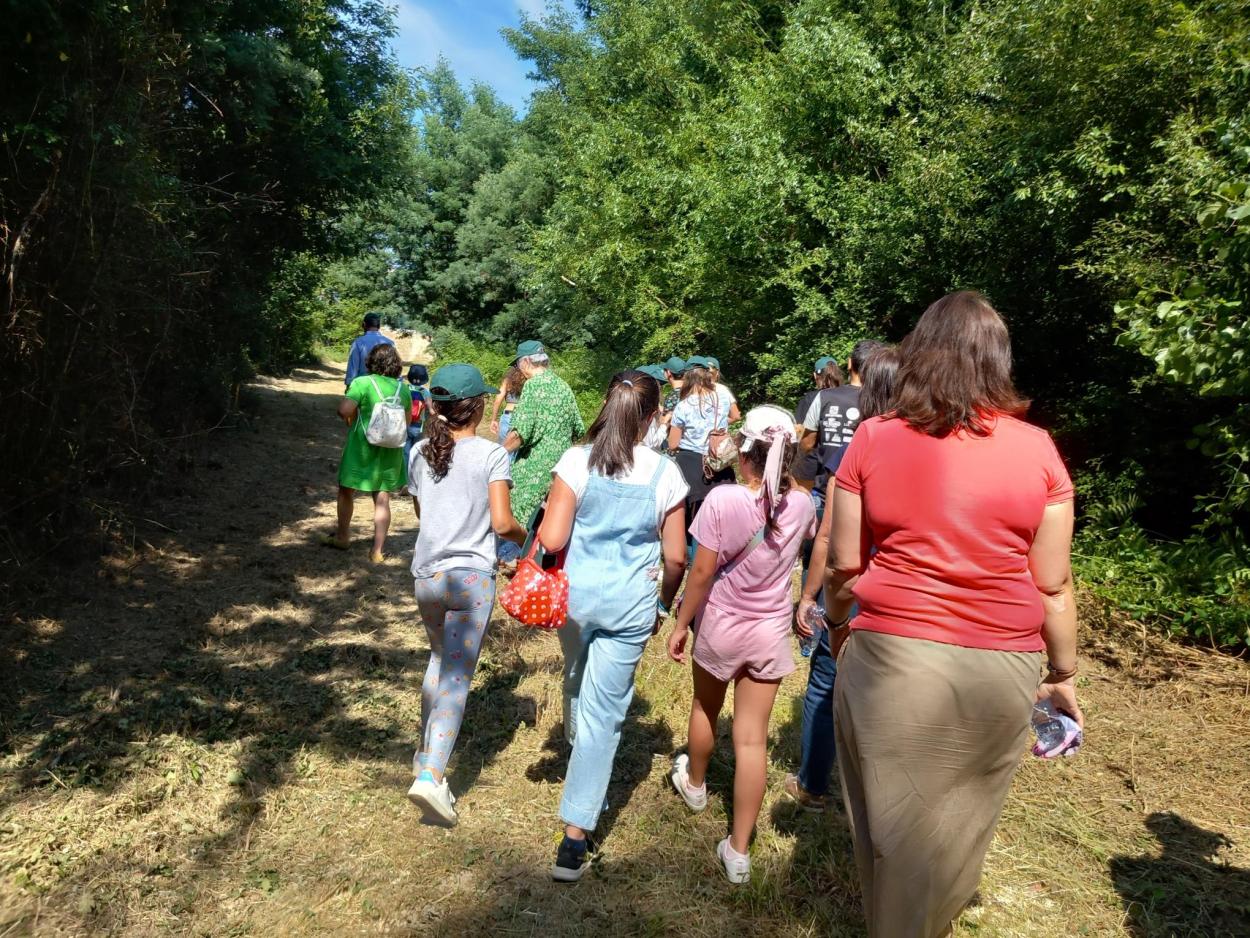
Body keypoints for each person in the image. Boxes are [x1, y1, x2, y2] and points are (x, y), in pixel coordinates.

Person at [824, 292, 1082, 938]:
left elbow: (844, 567)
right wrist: (1064, 672)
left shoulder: (875, 439)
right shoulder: (1040, 451)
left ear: (918, 355)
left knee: (889, 832)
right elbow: (1052, 585)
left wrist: (835, 629)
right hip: (1003, 667)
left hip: (890, 658)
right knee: (961, 830)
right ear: (998, 362)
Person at [534, 370, 688, 882]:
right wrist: (664, 603)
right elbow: (675, 557)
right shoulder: (666, 473)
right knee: (606, 713)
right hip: (629, 605)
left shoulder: (577, 461)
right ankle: (575, 837)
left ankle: (578, 748)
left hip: (575, 597)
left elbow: (553, 538)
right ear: (650, 417)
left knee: (575, 675)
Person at [666, 406, 814, 884]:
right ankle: (739, 849)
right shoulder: (804, 504)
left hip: (722, 625)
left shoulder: (722, 501)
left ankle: (694, 784)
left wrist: (680, 624)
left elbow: (703, 572)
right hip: (769, 631)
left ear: (745, 451)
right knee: (752, 738)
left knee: (705, 708)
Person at [405, 364, 527, 825]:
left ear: (436, 407)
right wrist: (525, 533)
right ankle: (433, 776)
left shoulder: (419, 452)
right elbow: (501, 523)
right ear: (478, 406)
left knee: (439, 661)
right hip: (472, 579)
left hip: (428, 577)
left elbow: (423, 512)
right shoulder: (491, 455)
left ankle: (422, 756)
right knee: (457, 675)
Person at [787, 345, 899, 812]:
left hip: (852, 588)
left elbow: (832, 545)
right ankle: (880, 794)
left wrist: (809, 598)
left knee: (826, 680)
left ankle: (813, 783)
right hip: (900, 591)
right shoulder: (925, 453)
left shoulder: (851, 456)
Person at [325, 342, 411, 562]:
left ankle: (343, 537)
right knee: (382, 498)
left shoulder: (362, 383)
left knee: (346, 490)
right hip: (390, 450)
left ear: (372, 362)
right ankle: (377, 551)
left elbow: (343, 410)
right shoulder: (403, 389)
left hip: (361, 448)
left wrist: (350, 419)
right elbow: (407, 421)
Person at [502, 340, 586, 556]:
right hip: (559, 472)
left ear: (527, 362)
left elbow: (520, 433)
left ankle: (516, 562)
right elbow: (578, 429)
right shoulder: (563, 386)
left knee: (520, 523)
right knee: (547, 525)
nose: (518, 370)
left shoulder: (533, 386)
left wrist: (498, 454)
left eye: (518, 365)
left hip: (532, 472)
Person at [799, 339, 882, 502]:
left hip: (823, 490)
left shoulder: (823, 397)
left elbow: (807, 444)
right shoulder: (884, 401)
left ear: (850, 363)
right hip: (866, 494)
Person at [667, 363, 733, 553]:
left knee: (695, 516)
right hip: (719, 460)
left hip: (692, 463)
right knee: (717, 517)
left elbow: (673, 444)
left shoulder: (683, 406)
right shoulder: (722, 399)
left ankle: (692, 555)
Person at [792, 356, 845, 493]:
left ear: (815, 375)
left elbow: (799, 431)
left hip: (812, 467)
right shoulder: (849, 396)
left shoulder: (811, 398)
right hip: (842, 463)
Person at [345, 312, 394, 388]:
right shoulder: (390, 343)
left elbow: (353, 368)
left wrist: (349, 386)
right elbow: (393, 367)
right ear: (379, 326)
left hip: (363, 388)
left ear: (364, 325)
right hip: (385, 388)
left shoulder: (358, 343)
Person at [403, 364, 430, 484]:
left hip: (404, 425)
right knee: (418, 453)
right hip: (419, 427)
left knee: (405, 453)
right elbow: (431, 409)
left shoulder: (405, 389)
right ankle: (416, 481)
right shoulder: (425, 392)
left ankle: (405, 480)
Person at [489, 365, 527, 447]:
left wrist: (494, 419)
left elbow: (498, 400)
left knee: (503, 449)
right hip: (524, 416)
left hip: (508, 415)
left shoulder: (508, 381)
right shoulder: (530, 381)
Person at [703, 355, 742, 422]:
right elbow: (736, 417)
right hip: (718, 431)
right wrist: (720, 423)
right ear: (717, 373)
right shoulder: (723, 390)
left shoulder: (694, 388)